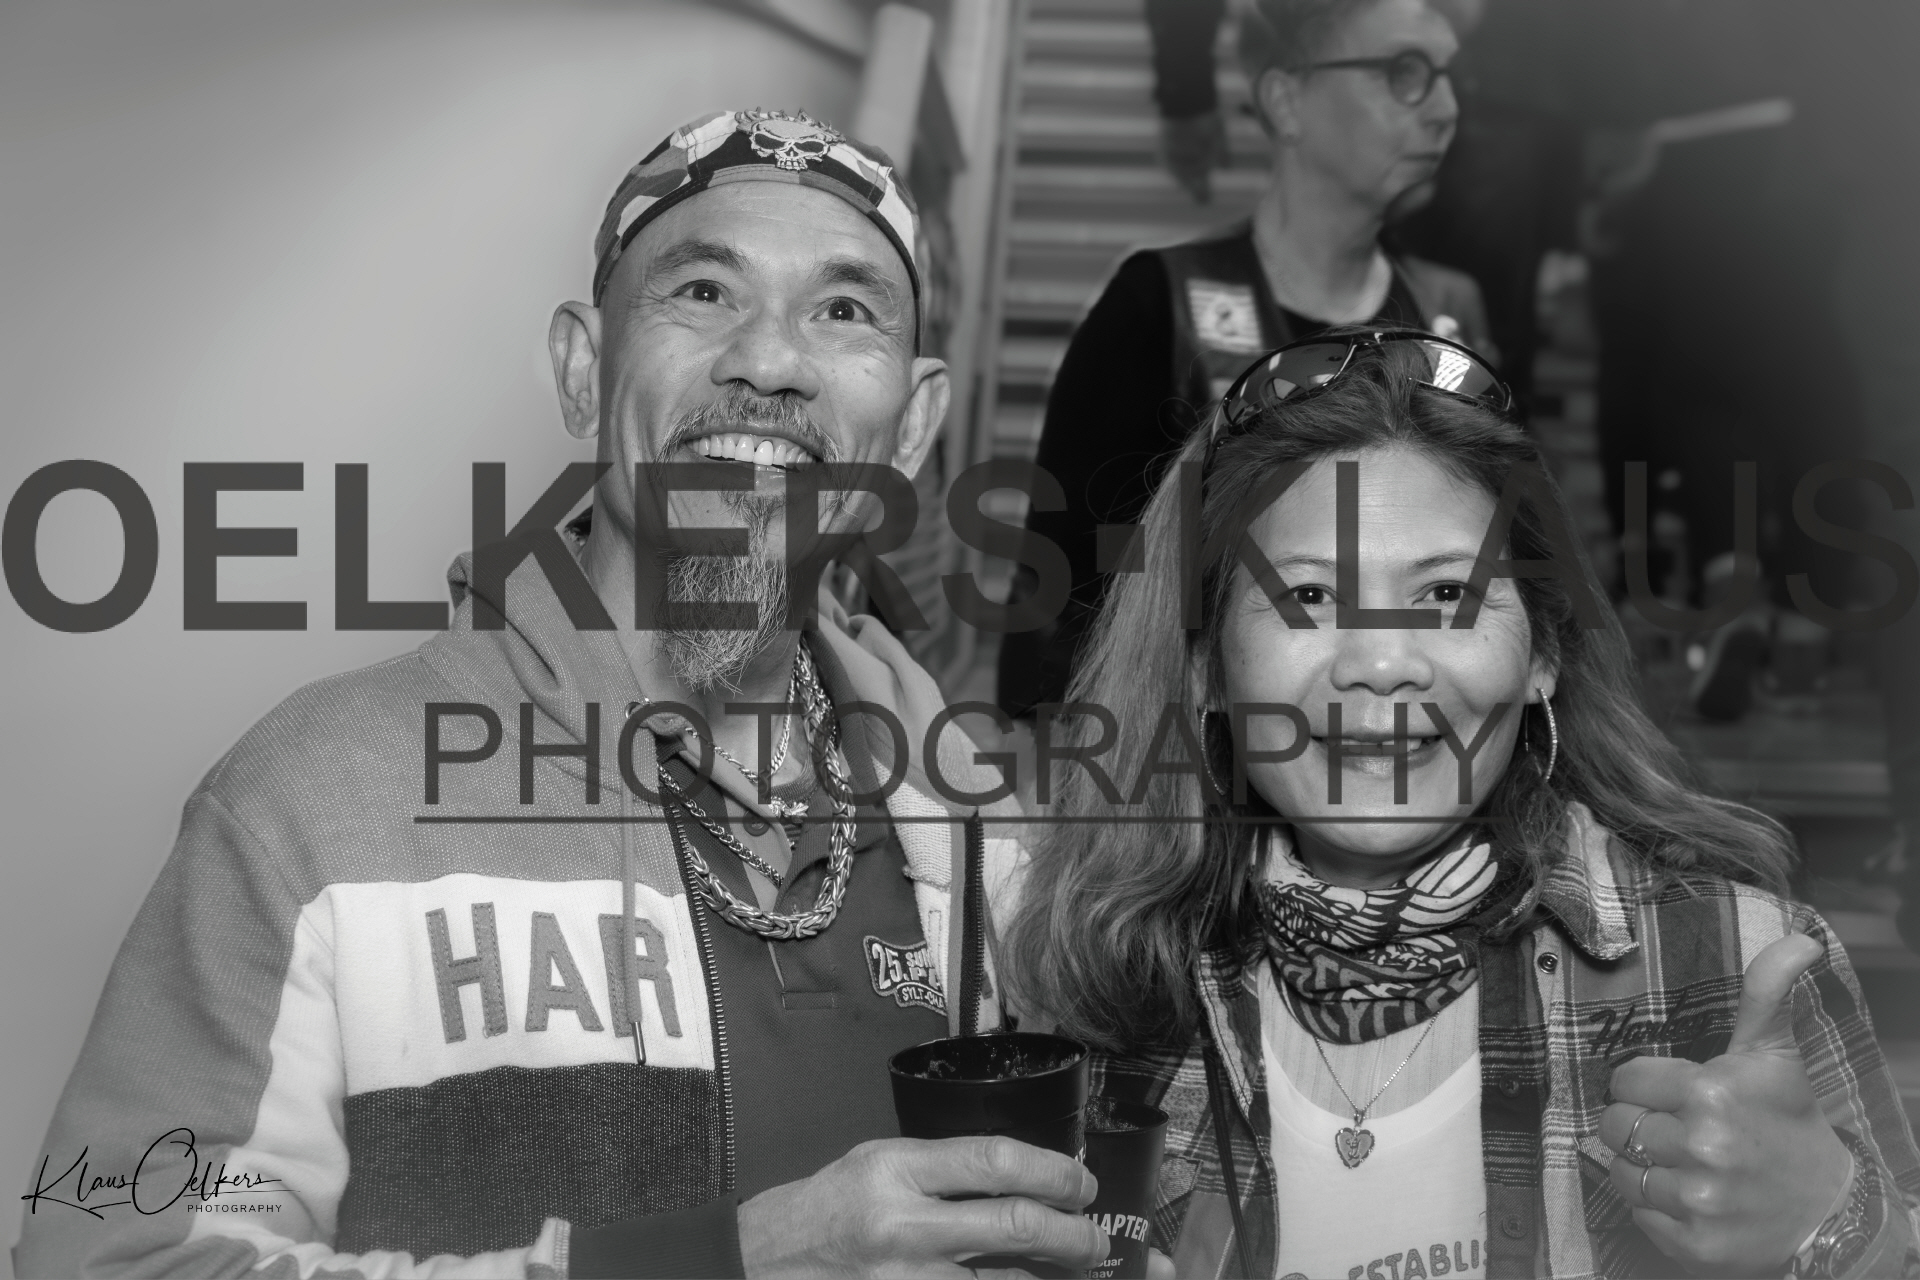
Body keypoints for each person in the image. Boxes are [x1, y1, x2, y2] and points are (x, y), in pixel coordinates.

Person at [15, 109, 1113, 1279]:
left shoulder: (986, 837)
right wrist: (720, 1265)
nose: (770, 359)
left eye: (844, 310)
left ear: (916, 423)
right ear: (584, 373)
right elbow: (111, 1259)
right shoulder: (315, 796)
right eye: (703, 291)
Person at [1003, 330, 1920, 1277]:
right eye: (1307, 596)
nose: (1382, 663)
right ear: (1207, 669)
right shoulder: (1102, 982)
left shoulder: (1733, 962)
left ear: (1542, 655)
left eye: (1447, 592)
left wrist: (1833, 1226)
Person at [1000, 0, 1497, 718]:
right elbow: (1059, 582)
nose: (1446, 110)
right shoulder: (1159, 302)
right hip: (1174, 755)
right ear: (1286, 101)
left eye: (1451, 76)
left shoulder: (1450, 320)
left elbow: (1511, 575)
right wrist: (1042, 757)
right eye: (1404, 72)